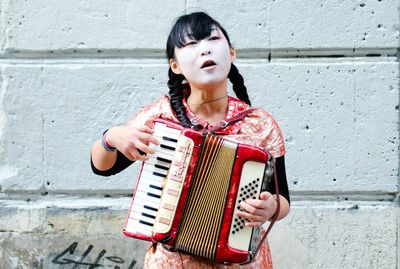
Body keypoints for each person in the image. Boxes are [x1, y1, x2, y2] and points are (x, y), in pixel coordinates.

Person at [91, 11, 290, 269]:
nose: (204, 50)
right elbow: (102, 167)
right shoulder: (159, 117)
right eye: (190, 44)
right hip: (173, 263)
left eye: (212, 39)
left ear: (231, 53)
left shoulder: (260, 124)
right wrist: (111, 137)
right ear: (175, 66)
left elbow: (282, 197)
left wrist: (272, 208)